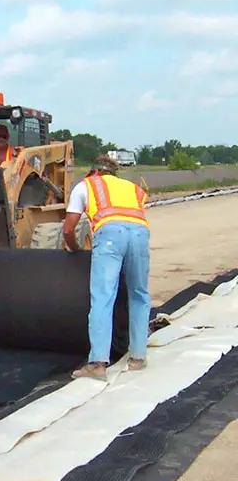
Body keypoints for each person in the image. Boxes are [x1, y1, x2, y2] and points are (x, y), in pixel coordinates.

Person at [63, 155, 151, 381]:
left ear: (94, 172)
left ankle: (98, 364)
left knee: (103, 296)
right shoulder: (132, 188)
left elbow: (67, 229)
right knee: (139, 294)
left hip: (111, 235)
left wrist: (74, 249)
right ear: (113, 173)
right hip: (140, 234)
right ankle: (138, 357)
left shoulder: (86, 186)